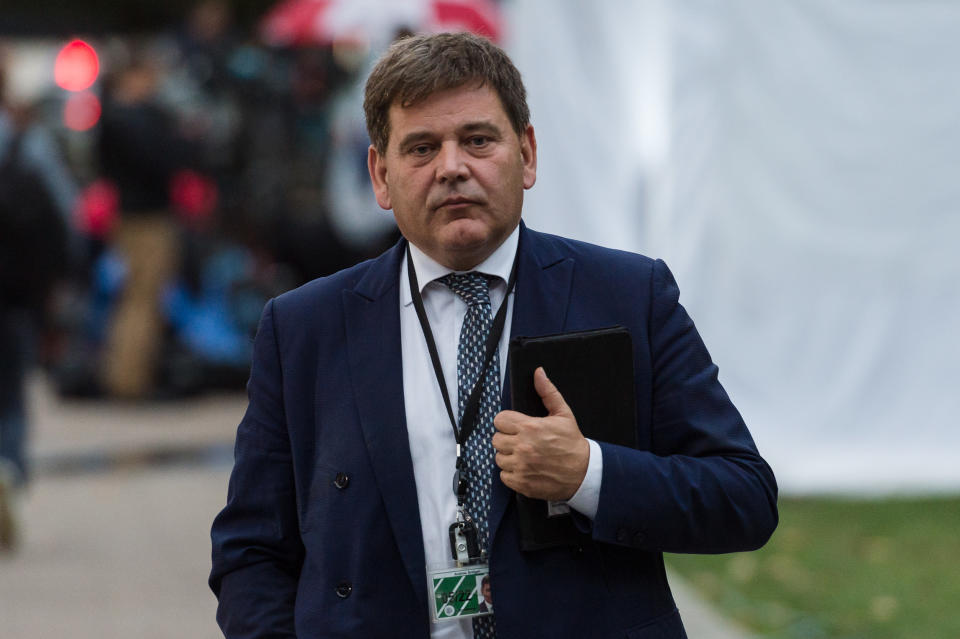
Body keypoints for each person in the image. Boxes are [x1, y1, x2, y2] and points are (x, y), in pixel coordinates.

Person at [210, 32, 778, 638]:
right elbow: (251, 552)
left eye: (478, 140)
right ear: (380, 175)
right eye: (422, 148)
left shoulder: (628, 296)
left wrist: (588, 474)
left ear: (527, 154)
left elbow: (742, 498)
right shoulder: (303, 329)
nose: (452, 167)